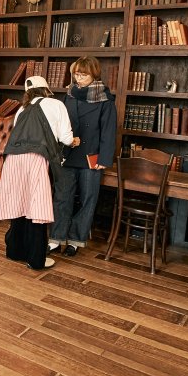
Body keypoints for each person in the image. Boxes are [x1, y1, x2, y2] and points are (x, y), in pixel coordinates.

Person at [0, 76, 77, 271]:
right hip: (35, 159)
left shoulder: (22, 109)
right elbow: (66, 138)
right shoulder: (56, 104)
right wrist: (75, 141)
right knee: (37, 208)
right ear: (46, 89)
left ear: (27, 93)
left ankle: (15, 251)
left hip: (12, 159)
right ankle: (36, 259)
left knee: (19, 204)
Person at [50, 56, 118, 256]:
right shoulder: (69, 95)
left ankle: (75, 240)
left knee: (88, 199)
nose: (78, 79)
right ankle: (56, 238)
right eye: (76, 74)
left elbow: (108, 132)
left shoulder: (105, 100)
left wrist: (104, 159)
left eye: (83, 75)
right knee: (62, 197)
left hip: (91, 157)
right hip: (67, 154)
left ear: (94, 74)